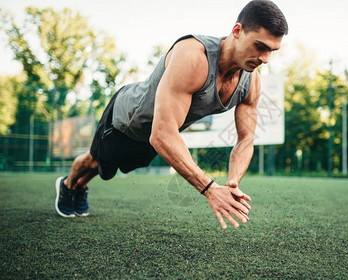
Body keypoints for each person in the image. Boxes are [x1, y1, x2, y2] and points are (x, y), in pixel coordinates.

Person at [55, 0, 288, 229]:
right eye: (260, 46)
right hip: (127, 119)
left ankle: (80, 185)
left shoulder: (251, 82)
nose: (265, 59)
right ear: (237, 31)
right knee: (95, 160)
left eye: (271, 51)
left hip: (155, 136)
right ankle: (68, 185)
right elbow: (162, 134)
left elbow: (246, 138)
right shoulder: (194, 57)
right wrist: (209, 189)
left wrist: (232, 181)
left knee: (108, 168)